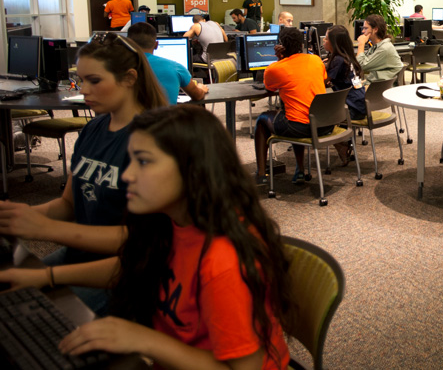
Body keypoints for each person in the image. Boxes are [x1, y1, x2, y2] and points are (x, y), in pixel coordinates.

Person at [0, 105, 291, 369]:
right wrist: (46, 277)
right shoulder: (173, 222)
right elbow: (135, 266)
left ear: (193, 170)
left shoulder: (224, 262)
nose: (126, 175)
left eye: (143, 162)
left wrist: (143, 340)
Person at [0, 33, 168, 311]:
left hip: (128, 269)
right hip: (83, 252)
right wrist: (20, 217)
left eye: (95, 80)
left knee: (39, 318)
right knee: (12, 297)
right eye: (81, 79)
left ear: (129, 78)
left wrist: (47, 228)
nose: (83, 89)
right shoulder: (93, 128)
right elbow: (68, 204)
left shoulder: (152, 139)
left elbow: (144, 243)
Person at [254, 27, 333, 181]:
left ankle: (261, 174)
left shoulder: (275, 68)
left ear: (280, 45)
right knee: (293, 112)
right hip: (325, 124)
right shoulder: (316, 60)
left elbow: (270, 87)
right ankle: (300, 170)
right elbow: (323, 79)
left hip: (300, 127)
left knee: (263, 119)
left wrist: (280, 59)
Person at [127, 22, 207, 104]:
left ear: (128, 44)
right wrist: (201, 89)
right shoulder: (176, 67)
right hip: (165, 116)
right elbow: (198, 96)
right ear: (156, 45)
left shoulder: (118, 67)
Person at [324, 25, 367, 165]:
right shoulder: (347, 58)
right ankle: (342, 140)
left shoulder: (338, 60)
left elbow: (322, 81)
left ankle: (341, 142)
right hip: (361, 105)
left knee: (315, 113)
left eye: (326, 38)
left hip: (351, 110)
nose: (323, 40)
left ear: (334, 43)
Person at [356, 14, 404, 84]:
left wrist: (361, 44)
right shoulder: (377, 46)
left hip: (380, 88)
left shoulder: (384, 48)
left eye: (366, 28)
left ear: (375, 29)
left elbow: (361, 66)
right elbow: (362, 60)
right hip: (375, 84)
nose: (363, 31)